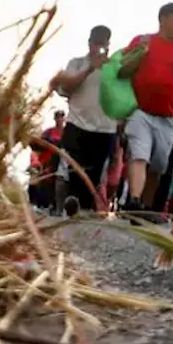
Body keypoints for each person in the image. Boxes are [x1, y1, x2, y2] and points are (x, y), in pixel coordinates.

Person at [117, 3, 173, 219]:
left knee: (158, 165)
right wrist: (136, 58)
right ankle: (133, 200)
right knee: (139, 156)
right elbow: (122, 70)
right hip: (140, 112)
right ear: (163, 19)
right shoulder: (142, 41)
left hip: (169, 117)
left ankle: (145, 208)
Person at [49, 25, 118, 215]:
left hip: (105, 129)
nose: (99, 47)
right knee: (71, 171)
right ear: (89, 43)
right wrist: (89, 69)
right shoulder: (76, 63)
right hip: (77, 126)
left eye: (103, 43)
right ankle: (65, 207)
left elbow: (123, 97)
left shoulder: (114, 67)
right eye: (96, 43)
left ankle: (84, 210)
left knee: (94, 176)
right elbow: (66, 87)